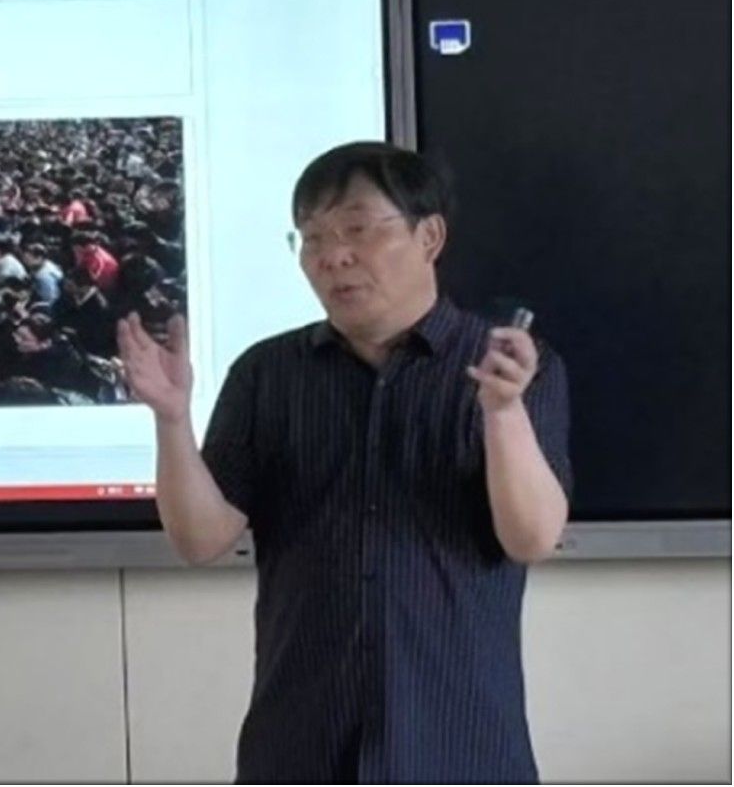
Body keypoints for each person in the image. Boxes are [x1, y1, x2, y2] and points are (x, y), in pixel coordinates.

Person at [119, 142, 571, 784]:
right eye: (312, 239)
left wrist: (502, 412)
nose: (332, 256)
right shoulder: (267, 373)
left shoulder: (513, 367)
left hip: (458, 746)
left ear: (429, 236)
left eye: (358, 230)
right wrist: (171, 421)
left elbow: (532, 538)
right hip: (300, 747)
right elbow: (200, 539)